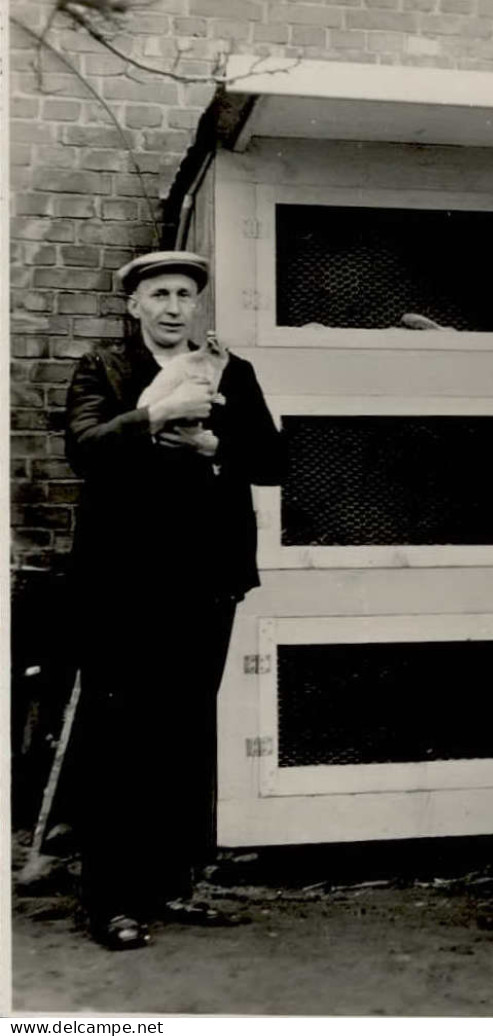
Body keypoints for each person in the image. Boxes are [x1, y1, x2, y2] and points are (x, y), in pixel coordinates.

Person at [65, 250, 284, 951]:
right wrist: (160, 412)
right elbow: (85, 448)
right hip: (123, 584)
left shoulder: (231, 370)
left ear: (196, 306)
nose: (171, 307)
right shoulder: (104, 368)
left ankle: (167, 886)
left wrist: (217, 443)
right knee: (118, 737)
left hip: (204, 579)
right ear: (134, 306)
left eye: (184, 295)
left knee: (182, 734)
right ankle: (110, 903)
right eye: (157, 294)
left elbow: (273, 462)